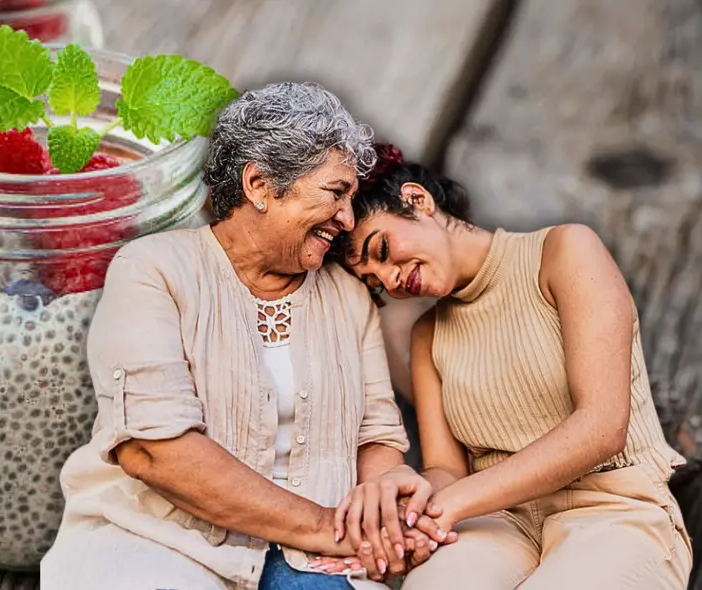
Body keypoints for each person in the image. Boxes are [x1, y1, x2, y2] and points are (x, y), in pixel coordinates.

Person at [40, 84, 445, 590]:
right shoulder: (154, 270)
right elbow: (154, 451)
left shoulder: (347, 297)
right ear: (259, 184)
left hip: (315, 559)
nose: (347, 219)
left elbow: (377, 437)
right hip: (161, 544)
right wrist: (325, 527)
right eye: (335, 193)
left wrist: (386, 502)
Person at [325, 143, 692, 588]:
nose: (389, 280)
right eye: (372, 282)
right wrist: (406, 517)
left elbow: (602, 427)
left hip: (614, 509)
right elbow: (446, 471)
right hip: (498, 523)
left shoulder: (564, 251)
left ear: (418, 200)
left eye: (381, 250)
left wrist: (451, 504)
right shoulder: (427, 336)